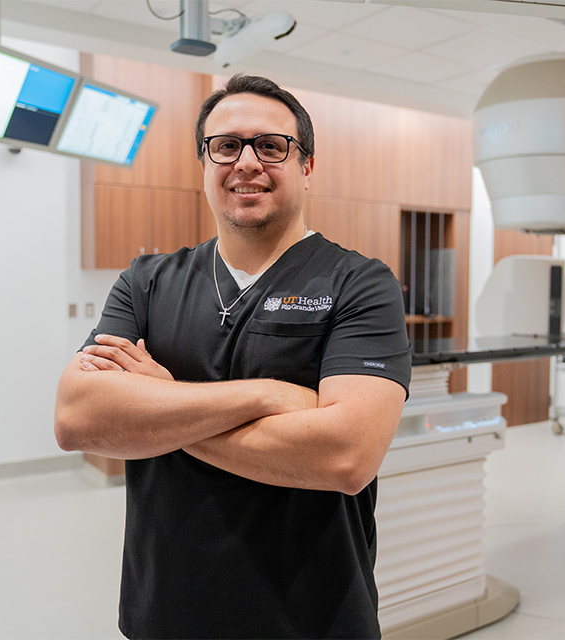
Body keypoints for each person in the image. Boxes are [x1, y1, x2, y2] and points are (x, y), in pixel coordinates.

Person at [54, 74, 412, 639]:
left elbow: (346, 455)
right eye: (226, 146)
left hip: (312, 615)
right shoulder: (146, 283)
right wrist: (269, 395)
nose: (247, 162)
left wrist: (159, 405)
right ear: (204, 163)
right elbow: (77, 419)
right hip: (166, 611)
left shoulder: (359, 284)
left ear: (307, 166)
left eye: (271, 146)